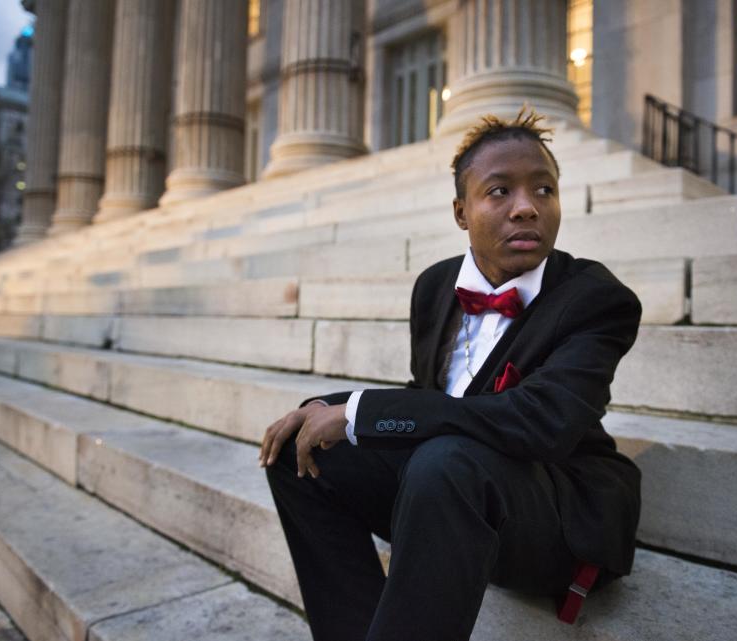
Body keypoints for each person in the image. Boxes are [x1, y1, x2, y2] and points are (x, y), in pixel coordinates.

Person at [260, 107, 642, 641]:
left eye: (544, 191)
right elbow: (433, 398)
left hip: (556, 511)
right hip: (454, 489)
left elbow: (544, 424)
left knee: (445, 460)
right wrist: (334, 408)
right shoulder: (436, 286)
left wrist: (360, 412)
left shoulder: (596, 298)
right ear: (462, 212)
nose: (527, 208)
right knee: (296, 449)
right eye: (500, 192)